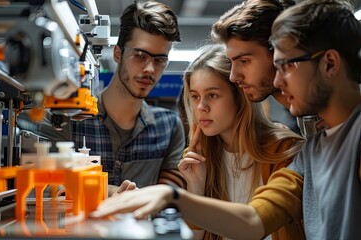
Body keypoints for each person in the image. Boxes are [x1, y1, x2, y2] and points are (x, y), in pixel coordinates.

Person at [90, 0, 361, 239]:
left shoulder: (294, 149)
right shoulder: (311, 151)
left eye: (286, 66)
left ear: (329, 64)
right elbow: (254, 220)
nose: (278, 81)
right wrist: (180, 195)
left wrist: (174, 196)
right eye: (194, 97)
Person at [180, 43, 305, 239]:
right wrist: (195, 189)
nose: (201, 107)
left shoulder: (283, 149)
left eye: (212, 95)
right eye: (195, 97)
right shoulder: (199, 158)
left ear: (240, 97)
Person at [72, 0, 186, 196]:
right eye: (140, 56)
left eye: (159, 61)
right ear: (118, 53)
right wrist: (114, 192)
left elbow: (167, 196)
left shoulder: (169, 127)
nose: (150, 69)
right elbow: (52, 186)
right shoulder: (71, 118)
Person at [210, 0, 326, 136]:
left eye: (244, 61)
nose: (233, 76)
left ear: (281, 52)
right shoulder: (306, 119)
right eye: (231, 62)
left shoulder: (340, 120)